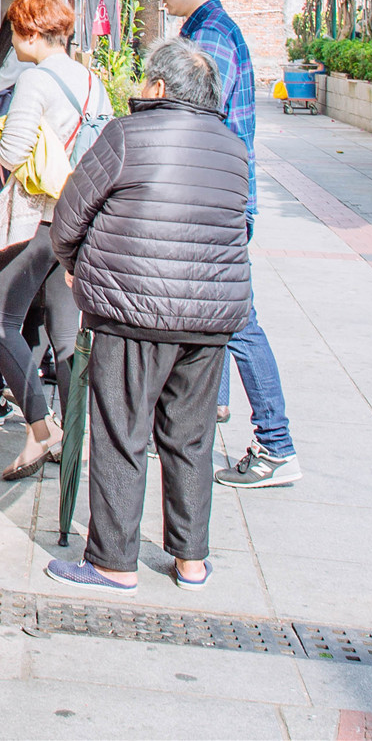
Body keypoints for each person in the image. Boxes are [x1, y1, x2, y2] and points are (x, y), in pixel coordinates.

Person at [44, 38, 252, 594]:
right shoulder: (234, 147)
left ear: (158, 88)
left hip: (133, 311)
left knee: (121, 433)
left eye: (144, 82)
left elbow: (70, 213)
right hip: (209, 318)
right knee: (191, 436)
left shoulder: (127, 134)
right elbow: (240, 228)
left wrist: (74, 265)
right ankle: (192, 561)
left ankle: (113, 561)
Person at [153, 0, 299, 489]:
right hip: (222, 198)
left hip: (212, 203)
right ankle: (204, 415)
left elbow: (190, 120)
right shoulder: (205, 31)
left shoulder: (209, 37)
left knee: (237, 321)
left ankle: (277, 446)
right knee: (211, 317)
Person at [0, 0, 110, 482]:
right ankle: (78, 437)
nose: (13, 43)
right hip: (75, 222)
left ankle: (42, 429)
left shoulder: (35, 78)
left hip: (35, 218)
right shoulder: (91, 79)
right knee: (65, 334)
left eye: (16, 32)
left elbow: (13, 153)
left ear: (32, 33)